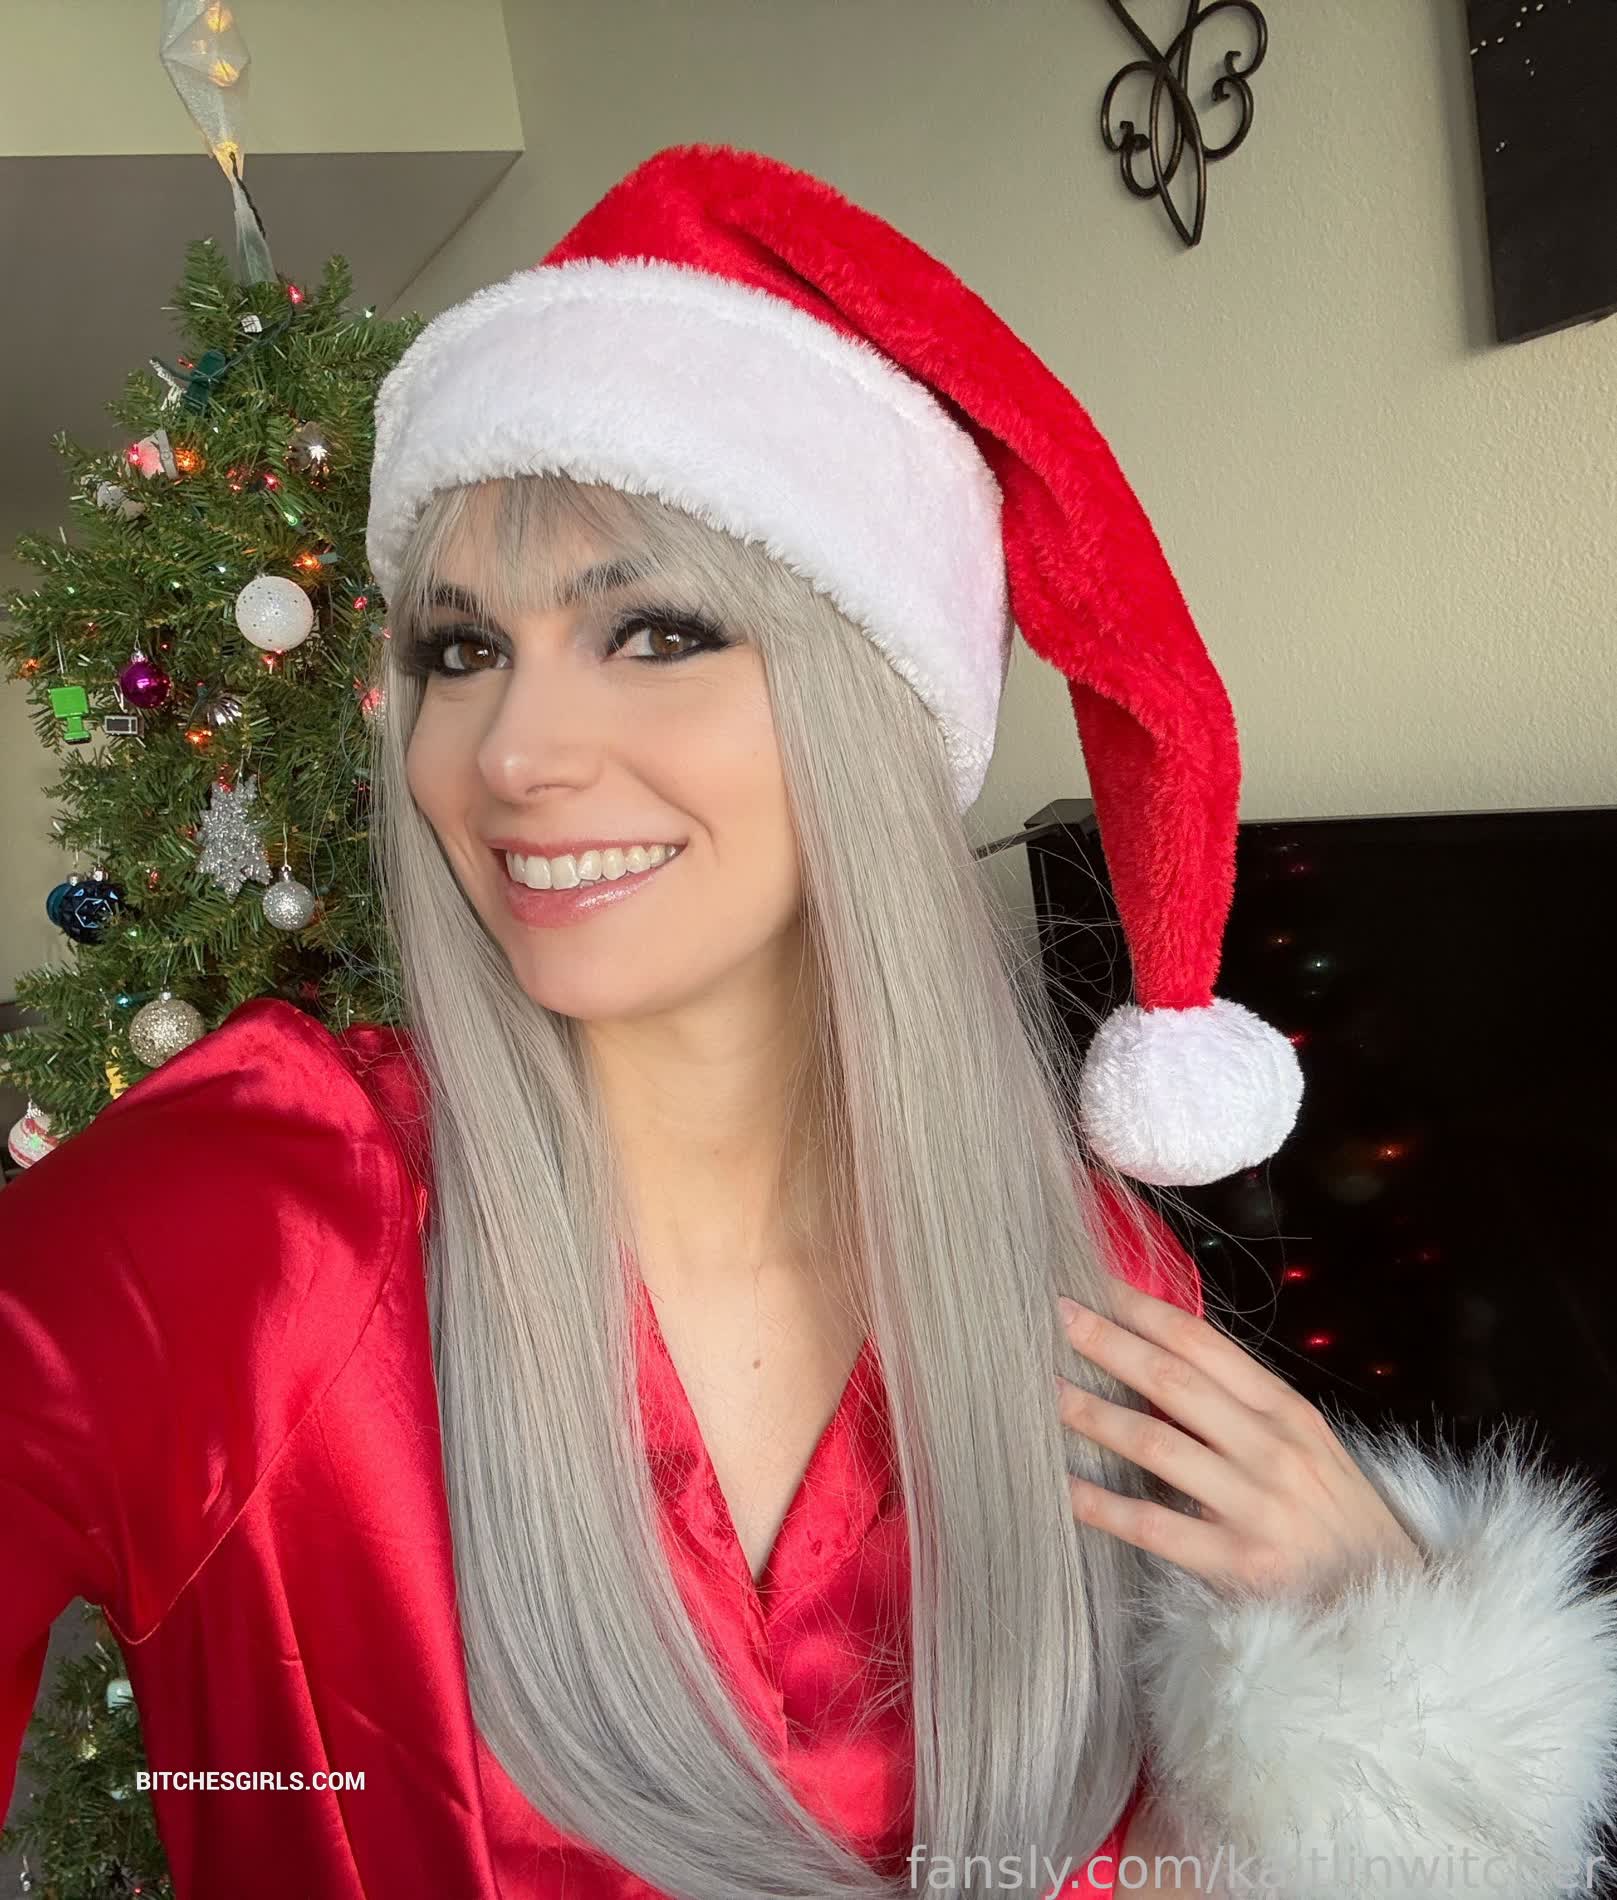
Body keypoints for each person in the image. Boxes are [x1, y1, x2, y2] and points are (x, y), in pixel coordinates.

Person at [3, 142, 1615, 1900]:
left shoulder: (1091, 1287)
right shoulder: (248, 1226)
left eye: (652, 634)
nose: (513, 753)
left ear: (870, 704)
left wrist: (1382, 1693)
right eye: (460, 652)